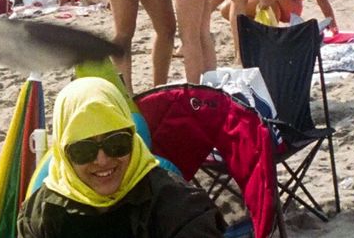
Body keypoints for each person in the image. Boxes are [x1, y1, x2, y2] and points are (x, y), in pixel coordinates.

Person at [19, 77, 223, 238]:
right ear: (64, 153)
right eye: (83, 150)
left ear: (134, 140)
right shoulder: (42, 211)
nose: (102, 160)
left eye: (116, 143)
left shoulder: (178, 205)